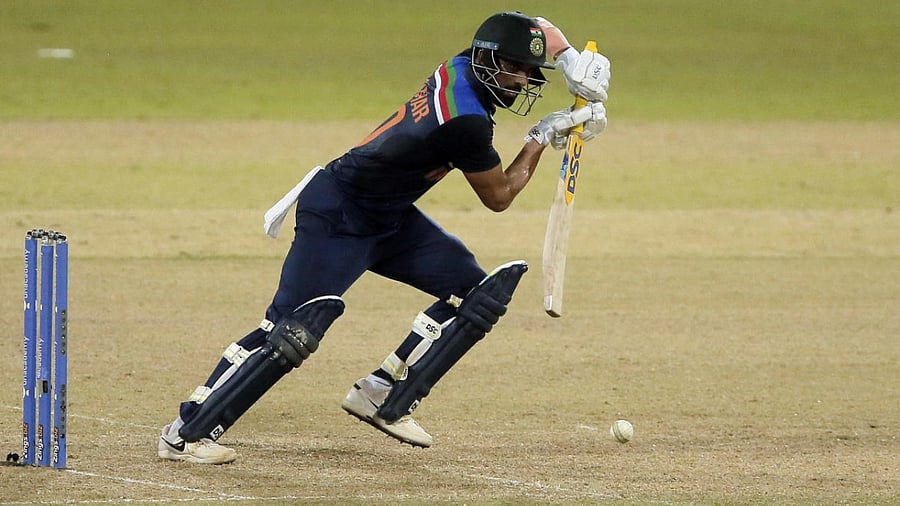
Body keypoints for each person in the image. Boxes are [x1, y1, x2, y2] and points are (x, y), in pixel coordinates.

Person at [157, 11, 611, 464]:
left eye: (530, 71)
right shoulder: (465, 120)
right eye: (515, 68)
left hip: (389, 218)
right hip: (339, 215)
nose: (521, 80)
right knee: (288, 331)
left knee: (475, 296)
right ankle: (186, 430)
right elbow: (500, 196)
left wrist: (568, 56)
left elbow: (532, 25)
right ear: (487, 60)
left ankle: (382, 394)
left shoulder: (461, 63)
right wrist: (542, 135)